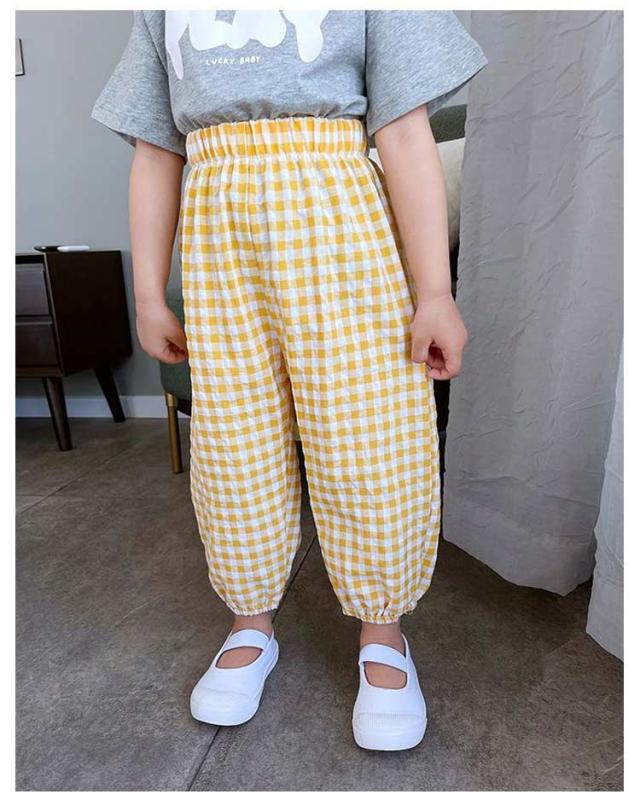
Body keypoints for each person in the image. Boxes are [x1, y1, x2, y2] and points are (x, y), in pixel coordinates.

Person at [91, 9, 488, 752]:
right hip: (221, 244)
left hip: (342, 226)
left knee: (368, 434)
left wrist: (434, 292)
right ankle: (251, 622)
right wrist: (148, 294)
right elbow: (155, 150)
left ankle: (383, 631)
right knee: (236, 441)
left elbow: (405, 132)